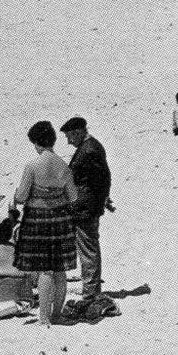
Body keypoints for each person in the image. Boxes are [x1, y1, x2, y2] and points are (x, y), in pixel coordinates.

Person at [12, 121, 74, 327]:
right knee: (60, 269)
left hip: (37, 220)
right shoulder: (63, 165)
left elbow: (21, 197)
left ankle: (44, 318)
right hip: (60, 220)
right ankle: (58, 314)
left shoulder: (32, 166)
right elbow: (72, 196)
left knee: (44, 269)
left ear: (37, 143)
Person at [62, 117, 112, 316]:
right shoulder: (91, 147)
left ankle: (90, 292)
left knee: (88, 249)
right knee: (88, 248)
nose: (68, 141)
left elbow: (101, 179)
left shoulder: (88, 150)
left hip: (85, 209)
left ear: (78, 132)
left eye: (69, 136)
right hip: (88, 206)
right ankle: (91, 289)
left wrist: (100, 200)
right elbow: (103, 179)